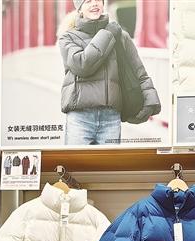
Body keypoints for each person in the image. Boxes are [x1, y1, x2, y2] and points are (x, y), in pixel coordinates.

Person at [58, 0, 161, 145]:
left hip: (111, 119)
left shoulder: (120, 36)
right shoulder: (68, 37)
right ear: (79, 8)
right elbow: (82, 65)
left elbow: (139, 72)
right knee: (77, 160)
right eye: (88, 1)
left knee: (109, 160)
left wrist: (151, 101)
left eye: (98, 0)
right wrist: (107, 34)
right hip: (80, 118)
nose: (94, 4)